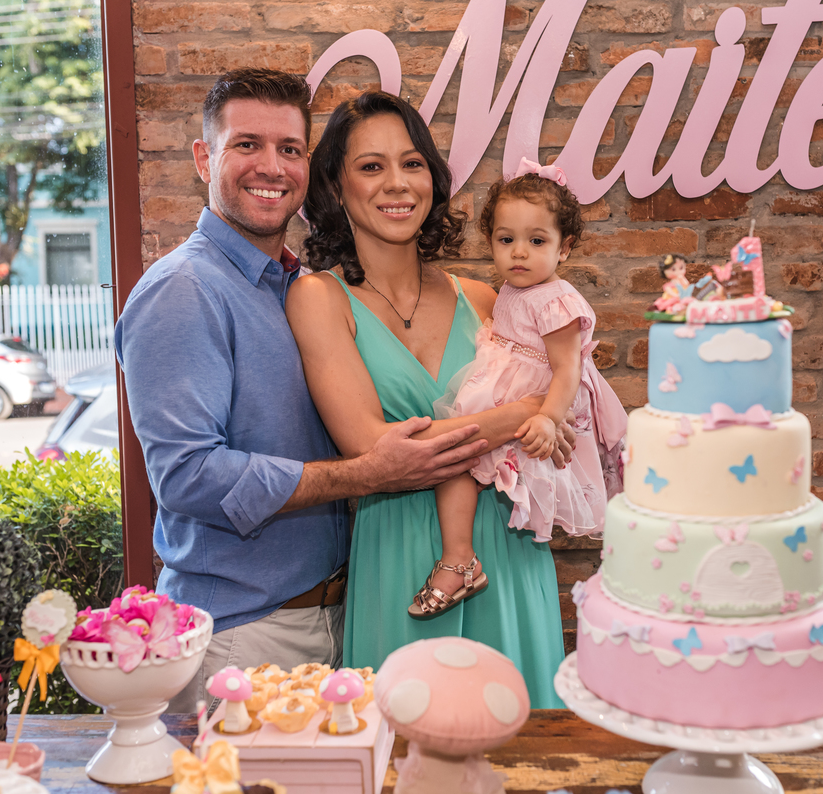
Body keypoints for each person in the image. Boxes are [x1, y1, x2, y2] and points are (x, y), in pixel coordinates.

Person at [113, 69, 486, 710]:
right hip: (243, 635)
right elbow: (186, 476)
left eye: (289, 149)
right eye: (246, 145)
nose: (271, 166)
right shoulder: (184, 290)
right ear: (203, 158)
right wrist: (365, 473)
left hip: (339, 616)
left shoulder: (296, 284)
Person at [286, 91, 568, 708]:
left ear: (433, 179)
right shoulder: (318, 298)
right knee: (405, 734)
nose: (397, 183)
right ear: (335, 187)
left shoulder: (487, 299)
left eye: (412, 163)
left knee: (521, 738)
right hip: (401, 550)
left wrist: (545, 418)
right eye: (371, 166)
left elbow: (564, 413)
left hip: (507, 547)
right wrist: (520, 415)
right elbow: (373, 447)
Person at [413, 163, 628, 618]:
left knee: (460, 459)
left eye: (537, 241)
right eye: (506, 239)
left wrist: (548, 418)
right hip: (502, 389)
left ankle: (458, 560)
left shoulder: (557, 300)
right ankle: (459, 556)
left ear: (564, 248)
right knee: (456, 460)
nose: (519, 253)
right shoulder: (512, 289)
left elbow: (568, 369)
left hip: (536, 401)